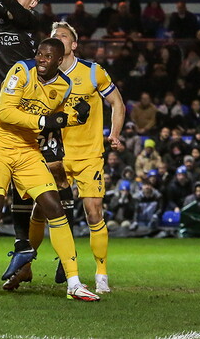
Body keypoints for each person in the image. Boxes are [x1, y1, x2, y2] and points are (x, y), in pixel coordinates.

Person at [0, 38, 98, 302]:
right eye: (39, 53)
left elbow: (56, 119)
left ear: (59, 61)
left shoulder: (64, 85)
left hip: (28, 151)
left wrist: (75, 116)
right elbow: (5, 113)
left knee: (55, 207)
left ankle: (74, 283)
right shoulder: (21, 70)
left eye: (48, 56)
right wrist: (43, 119)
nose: (41, 59)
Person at [22, 21, 124, 294]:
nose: (58, 38)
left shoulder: (92, 72)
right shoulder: (42, 75)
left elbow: (117, 103)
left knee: (93, 212)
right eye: (55, 36)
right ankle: (25, 264)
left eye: (64, 36)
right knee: (41, 209)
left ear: (74, 44)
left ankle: (101, 274)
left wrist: (114, 134)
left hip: (89, 155)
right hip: (54, 154)